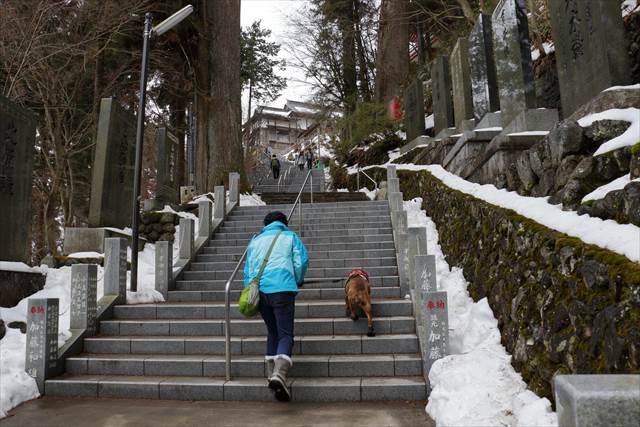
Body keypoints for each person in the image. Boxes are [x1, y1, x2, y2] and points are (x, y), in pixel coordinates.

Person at [243, 211, 309, 402]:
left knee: (272, 332)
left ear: (266, 224)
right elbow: (301, 261)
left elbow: (248, 269)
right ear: (283, 223)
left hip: (260, 292)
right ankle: (279, 374)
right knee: (285, 334)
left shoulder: (255, 240)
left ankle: (271, 374)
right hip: (282, 289)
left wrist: (250, 291)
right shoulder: (290, 236)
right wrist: (298, 279)